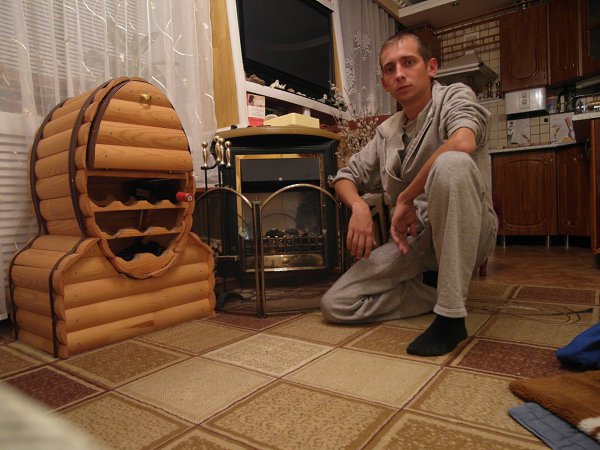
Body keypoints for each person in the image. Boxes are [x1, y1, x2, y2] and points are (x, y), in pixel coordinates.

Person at [320, 31, 498, 357]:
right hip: (416, 241)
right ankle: (436, 291)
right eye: (390, 69)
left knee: (452, 164)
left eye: (408, 63)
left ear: (431, 67)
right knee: (337, 303)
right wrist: (359, 207)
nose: (399, 74)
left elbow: (462, 142)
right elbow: (344, 176)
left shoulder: (455, 96)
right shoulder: (386, 132)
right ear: (385, 83)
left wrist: (405, 198)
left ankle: (451, 317)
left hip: (469, 230)